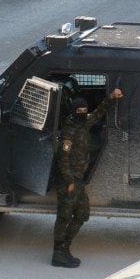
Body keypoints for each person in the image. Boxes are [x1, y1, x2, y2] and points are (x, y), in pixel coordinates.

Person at [51, 88, 123, 267]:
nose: (83, 113)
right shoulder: (69, 131)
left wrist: (112, 97)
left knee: (83, 214)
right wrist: (69, 181)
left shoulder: (84, 124)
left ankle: (65, 245)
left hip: (78, 180)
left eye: (84, 110)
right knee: (64, 216)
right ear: (74, 112)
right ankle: (58, 253)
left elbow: (99, 112)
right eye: (80, 111)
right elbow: (63, 159)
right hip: (68, 181)